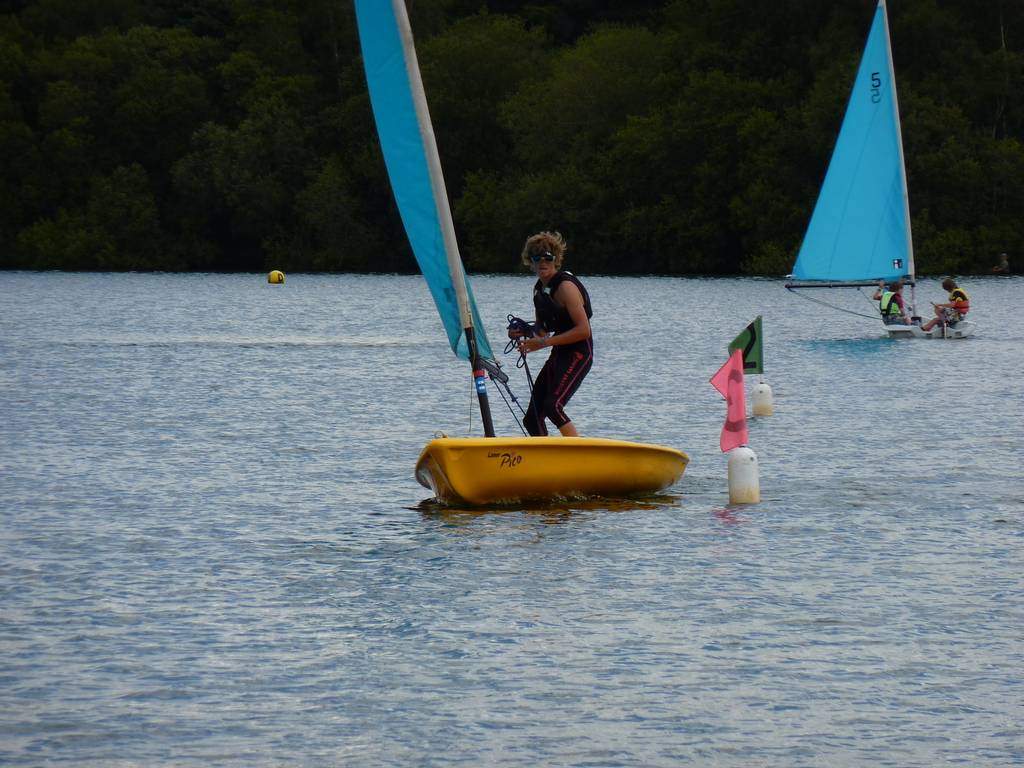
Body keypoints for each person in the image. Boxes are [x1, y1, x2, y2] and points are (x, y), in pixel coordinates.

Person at [509, 231, 593, 437]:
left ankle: (579, 456)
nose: (543, 263)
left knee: (553, 406)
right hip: (559, 354)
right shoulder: (539, 290)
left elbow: (584, 330)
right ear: (531, 261)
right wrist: (523, 332)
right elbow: (542, 329)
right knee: (532, 418)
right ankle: (546, 461)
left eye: (548, 258)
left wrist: (544, 343)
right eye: (537, 258)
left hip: (579, 354)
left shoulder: (566, 287)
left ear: (555, 260)